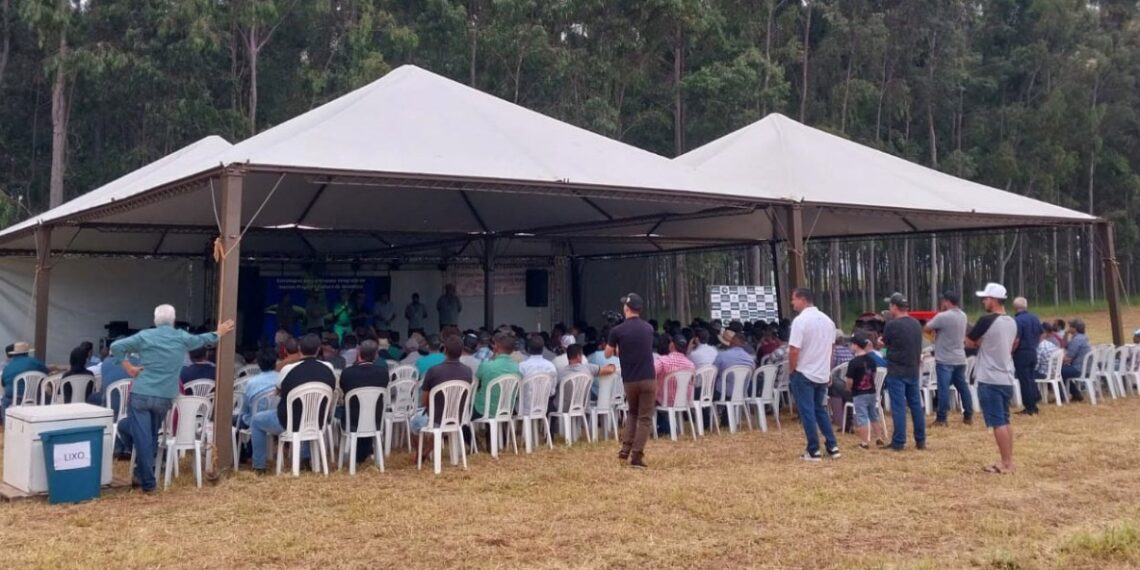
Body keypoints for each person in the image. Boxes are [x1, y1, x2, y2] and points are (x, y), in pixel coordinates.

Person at [111, 304, 234, 492]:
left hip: (141, 393)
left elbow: (116, 346)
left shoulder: (144, 336)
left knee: (143, 436)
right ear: (174, 321)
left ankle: (148, 482)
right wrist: (218, 333)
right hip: (164, 397)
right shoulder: (181, 337)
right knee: (149, 436)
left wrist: (129, 368)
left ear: (155, 321)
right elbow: (201, 340)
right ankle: (143, 473)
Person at [249, 333, 336, 474]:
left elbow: (277, 391)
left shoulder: (287, 370)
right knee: (308, 412)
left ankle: (259, 466)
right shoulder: (329, 368)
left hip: (287, 422)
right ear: (319, 349)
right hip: (317, 421)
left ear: (300, 349)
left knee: (256, 420)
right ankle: (305, 459)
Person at [966, 283, 1019, 474]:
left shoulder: (986, 320)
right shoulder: (1012, 321)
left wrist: (982, 343)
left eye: (986, 298)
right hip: (1006, 376)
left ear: (994, 300)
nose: (984, 301)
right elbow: (1014, 344)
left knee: (998, 422)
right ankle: (1008, 460)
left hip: (989, 377)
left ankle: (1005, 463)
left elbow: (969, 342)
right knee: (1005, 420)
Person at [787, 288, 841, 462]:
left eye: (794, 299)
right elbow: (831, 349)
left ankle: (813, 449)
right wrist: (828, 369)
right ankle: (832, 446)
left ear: (802, 300)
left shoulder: (800, 321)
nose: (792, 303)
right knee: (821, 410)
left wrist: (792, 368)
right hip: (822, 372)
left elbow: (794, 349)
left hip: (804, 372)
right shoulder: (828, 321)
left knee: (807, 412)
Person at [607, 293, 656, 468]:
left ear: (626, 308)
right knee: (644, 417)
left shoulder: (617, 331)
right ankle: (637, 455)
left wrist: (615, 342)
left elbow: (608, 353)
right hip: (648, 378)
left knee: (632, 413)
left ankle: (625, 449)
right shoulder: (648, 328)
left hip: (629, 380)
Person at [409, 335, 472, 461]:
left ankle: (422, 451)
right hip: (459, 417)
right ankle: (425, 452)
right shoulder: (467, 371)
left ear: (445, 350)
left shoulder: (434, 371)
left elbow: (424, 400)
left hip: (436, 418)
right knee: (438, 426)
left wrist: (430, 409)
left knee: (412, 421)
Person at [880, 292, 925, 452]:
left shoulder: (892, 325)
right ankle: (920, 440)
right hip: (913, 370)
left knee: (899, 407)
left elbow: (884, 344)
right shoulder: (916, 324)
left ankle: (899, 441)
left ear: (894, 307)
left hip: (897, 371)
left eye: (890, 305)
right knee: (916, 406)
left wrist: (882, 346)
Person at [924, 291, 974, 426]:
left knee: (943, 388)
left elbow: (926, 328)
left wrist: (934, 335)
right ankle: (968, 415)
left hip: (945, 358)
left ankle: (942, 418)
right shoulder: (963, 315)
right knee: (962, 386)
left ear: (946, 301)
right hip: (960, 357)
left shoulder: (942, 316)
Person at [338, 339, 389, 463]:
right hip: (376, 419)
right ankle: (364, 452)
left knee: (344, 410)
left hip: (352, 421)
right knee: (365, 410)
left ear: (358, 353)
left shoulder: (347, 373)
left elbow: (344, 392)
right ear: (376, 355)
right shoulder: (383, 373)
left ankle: (359, 454)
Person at [846, 332, 885, 449]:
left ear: (856, 346)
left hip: (859, 393)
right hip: (871, 392)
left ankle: (864, 442)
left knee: (862, 417)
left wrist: (849, 388)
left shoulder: (853, 362)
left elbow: (849, 380)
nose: (850, 347)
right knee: (874, 415)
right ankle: (879, 437)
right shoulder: (871, 360)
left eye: (851, 344)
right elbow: (873, 374)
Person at [474, 332, 520, 420]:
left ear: (495, 347)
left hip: (483, 410)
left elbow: (476, 382)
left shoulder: (486, 365)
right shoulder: (517, 368)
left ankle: (468, 433)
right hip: (507, 409)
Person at [1011, 297, 1043, 415]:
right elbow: (1041, 333)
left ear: (1014, 307)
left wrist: (1011, 351)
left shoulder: (1017, 320)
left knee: (1024, 381)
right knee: (1031, 378)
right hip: (1032, 351)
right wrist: (1034, 344)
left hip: (1021, 353)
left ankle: (1029, 407)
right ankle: (1034, 404)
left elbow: (1016, 340)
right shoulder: (1034, 317)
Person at [0, 342, 49, 415]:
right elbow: (46, 372)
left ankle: (6, 423)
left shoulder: (7, 367)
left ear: (14, 354)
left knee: (4, 402)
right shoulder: (36, 362)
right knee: (47, 395)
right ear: (27, 353)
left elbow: (3, 384)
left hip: (13, 400)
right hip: (35, 398)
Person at [238, 348, 279, 430]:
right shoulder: (282, 378)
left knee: (233, 419)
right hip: (277, 420)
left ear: (258, 364)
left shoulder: (251, 383)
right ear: (276, 362)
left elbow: (244, 410)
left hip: (253, 421)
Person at [654, 334, 695, 409]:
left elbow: (649, 374)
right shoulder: (691, 365)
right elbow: (692, 383)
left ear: (672, 345)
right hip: (683, 402)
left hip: (663, 402)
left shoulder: (663, 361)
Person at [713, 329, 754, 398]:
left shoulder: (722, 355)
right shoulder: (750, 359)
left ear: (731, 342)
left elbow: (714, 372)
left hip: (724, 393)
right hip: (742, 392)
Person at [1060, 319, 1092, 401]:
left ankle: (1063, 396)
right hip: (1085, 368)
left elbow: (1068, 358)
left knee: (1057, 371)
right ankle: (1075, 393)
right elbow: (1064, 345)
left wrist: (1056, 362)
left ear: (1074, 328)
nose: (1068, 328)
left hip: (1078, 368)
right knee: (1062, 371)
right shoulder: (1083, 338)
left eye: (1070, 327)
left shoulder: (1077, 340)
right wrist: (1066, 334)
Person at [519, 334, 558, 401]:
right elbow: (552, 392)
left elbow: (517, 391)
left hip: (524, 407)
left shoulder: (522, 366)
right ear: (543, 349)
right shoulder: (551, 366)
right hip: (543, 407)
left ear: (528, 349)